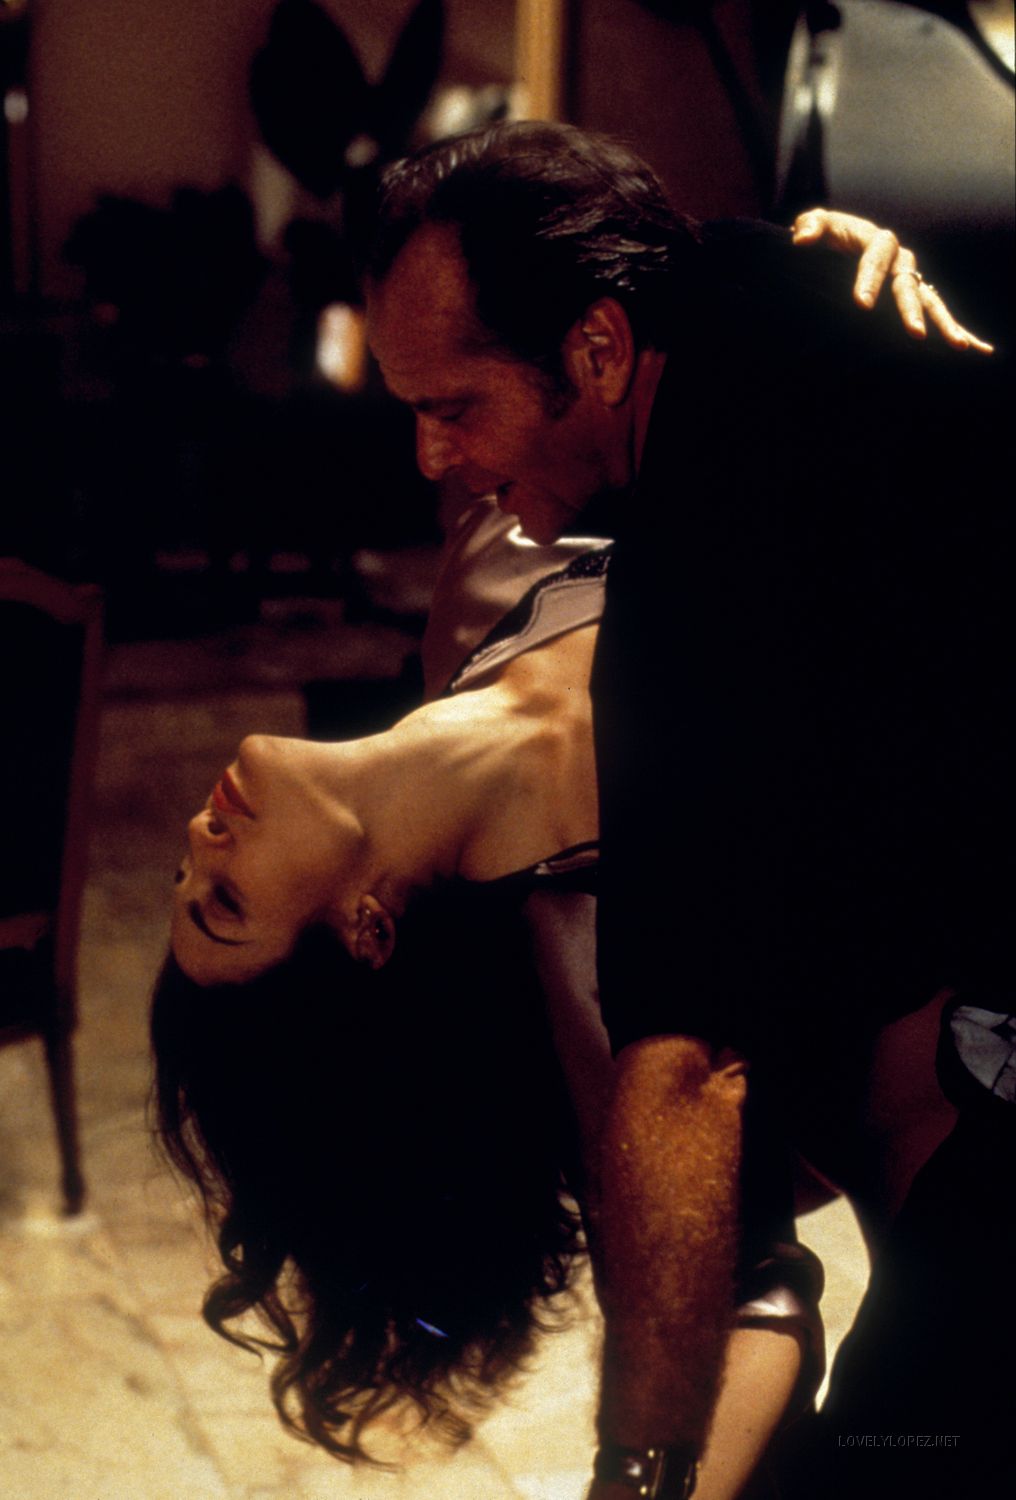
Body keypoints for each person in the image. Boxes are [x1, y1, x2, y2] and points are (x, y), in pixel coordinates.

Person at [362, 121, 1012, 1499]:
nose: (429, 455)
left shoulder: (697, 574)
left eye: (455, 406)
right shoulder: (765, 285)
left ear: (598, 350)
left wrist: (638, 1468)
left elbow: (687, 1070)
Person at [155, 540, 826, 1500]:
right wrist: (636, 1474)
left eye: (185, 877)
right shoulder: (587, 954)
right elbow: (747, 1294)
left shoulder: (483, 580)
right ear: (368, 933)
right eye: (225, 902)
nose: (200, 838)